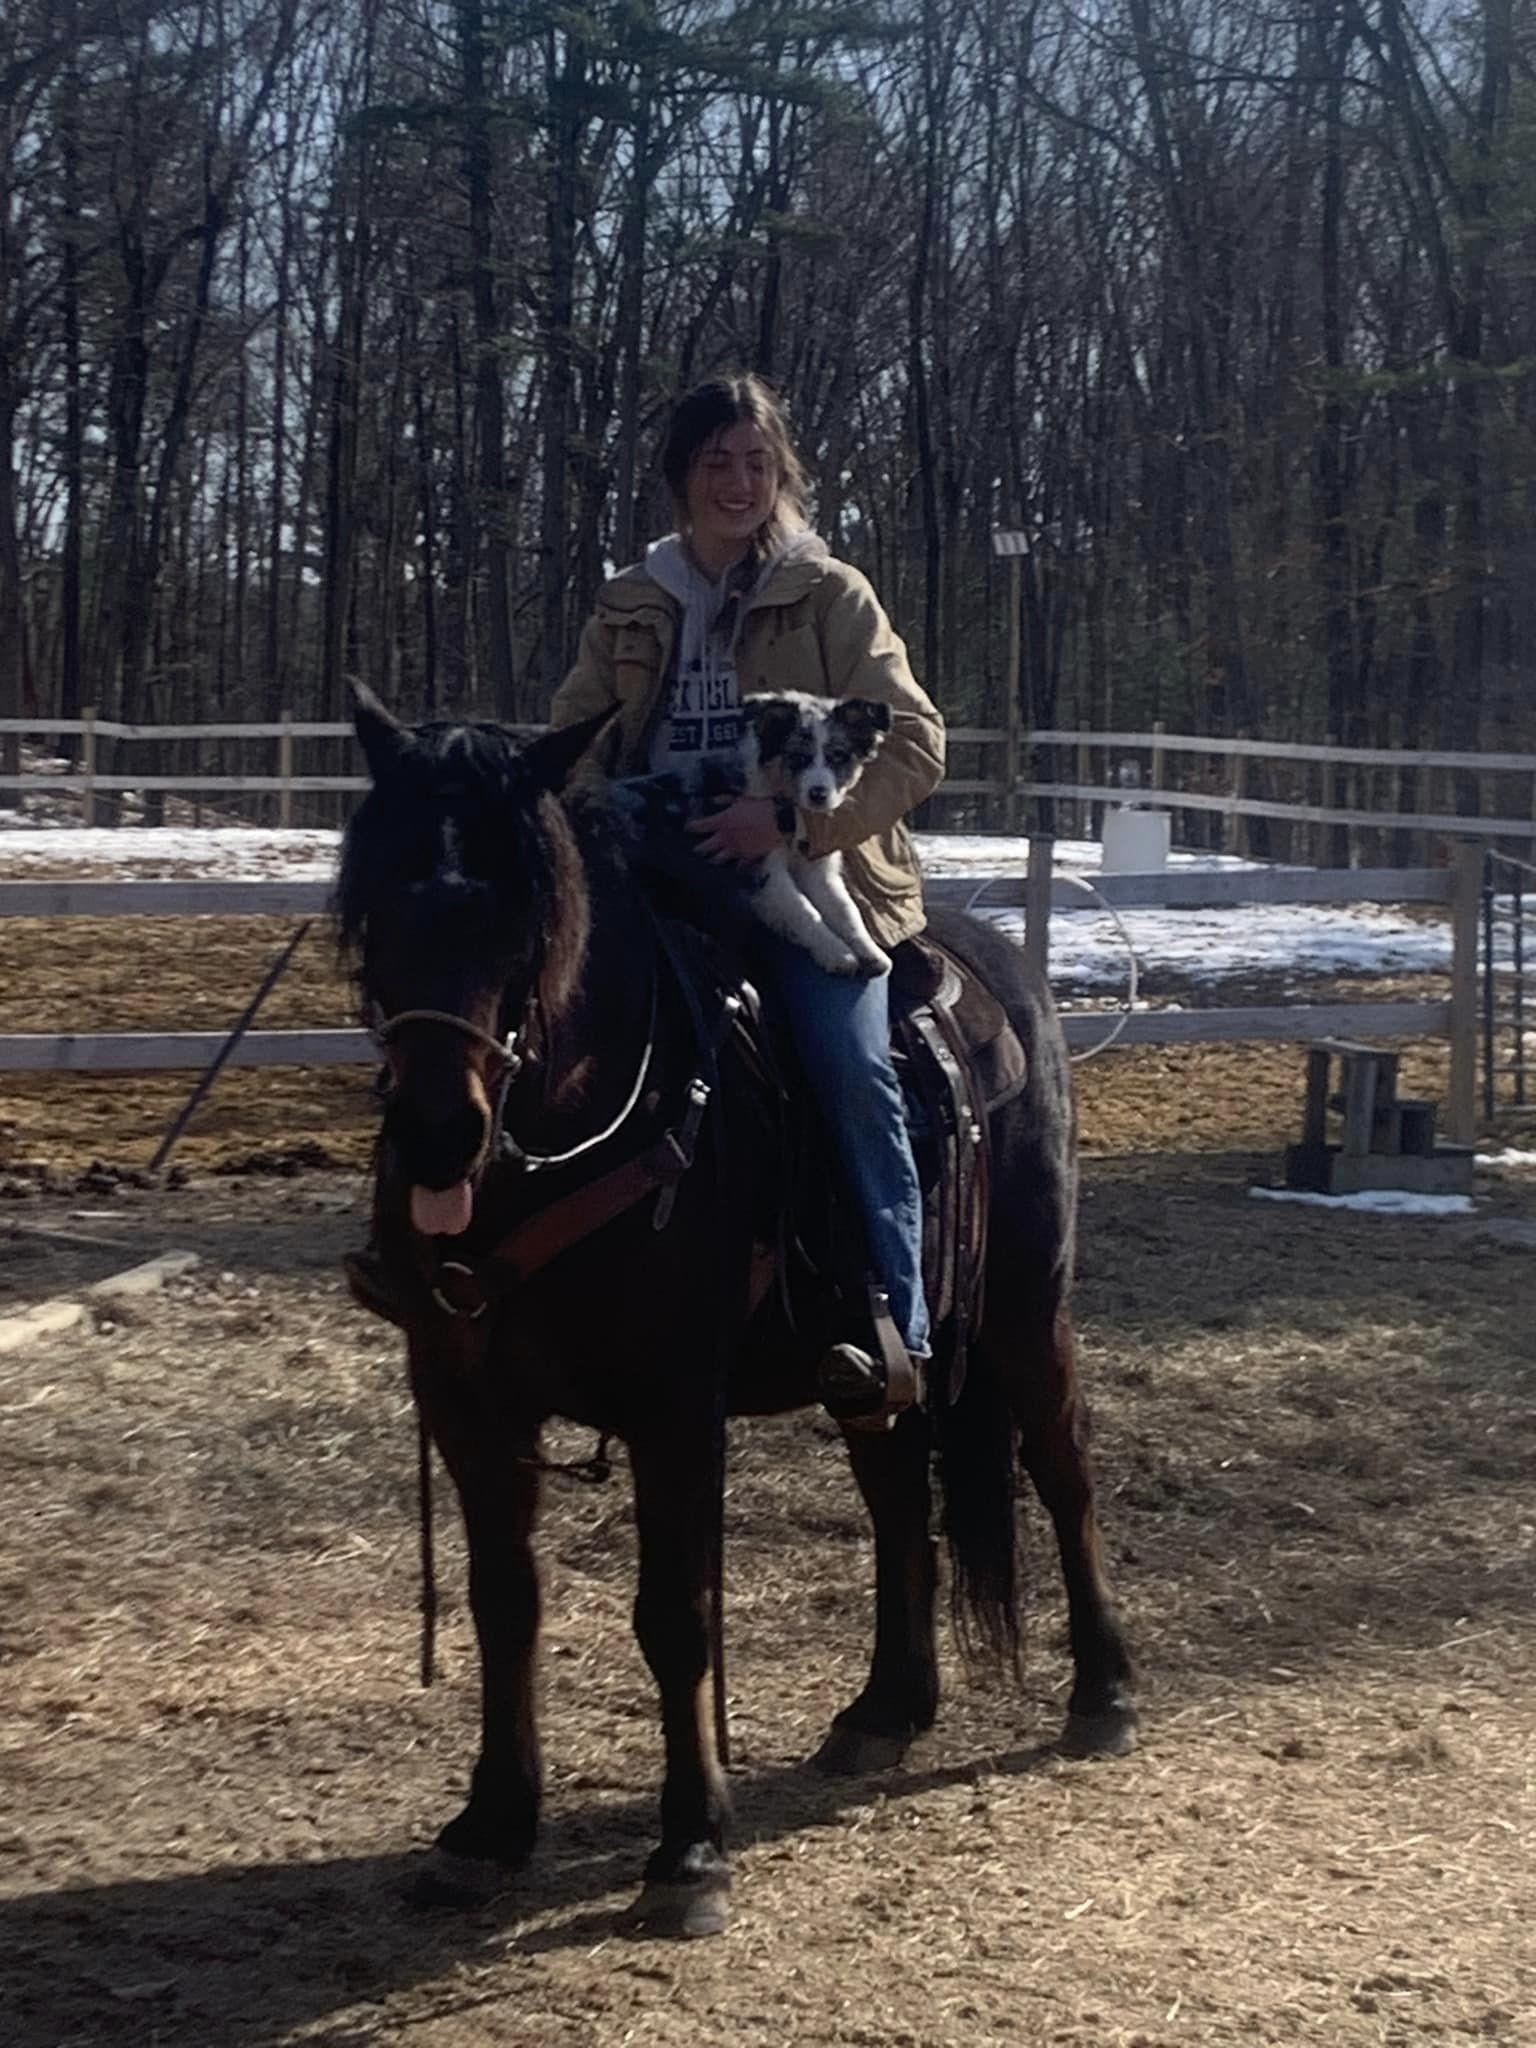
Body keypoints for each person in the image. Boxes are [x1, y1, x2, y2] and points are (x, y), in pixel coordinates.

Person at [550, 372, 946, 1419]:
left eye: (756, 462)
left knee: (853, 1065)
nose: (737, 482)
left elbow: (915, 740)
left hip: (807, 871)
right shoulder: (632, 597)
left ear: (782, 473)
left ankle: (894, 1320)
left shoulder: (832, 593)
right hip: (650, 870)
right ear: (683, 475)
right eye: (715, 462)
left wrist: (792, 822)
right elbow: (577, 736)